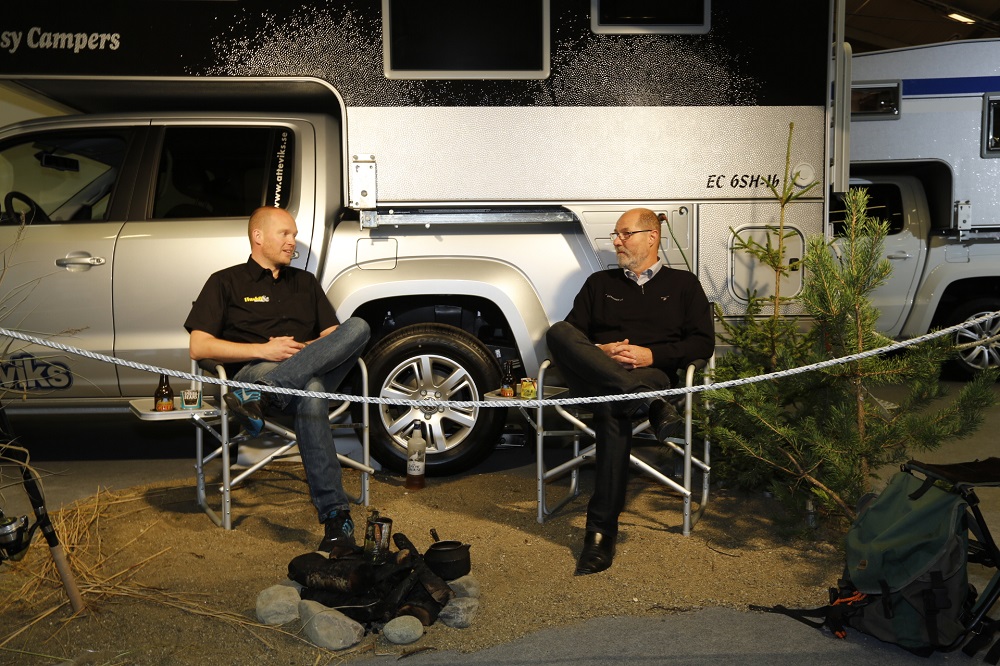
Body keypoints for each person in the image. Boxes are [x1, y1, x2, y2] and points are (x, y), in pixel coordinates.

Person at [185, 206, 370, 552]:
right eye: (284, 234)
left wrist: (301, 352)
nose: (292, 241)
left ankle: (265, 396)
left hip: (293, 375)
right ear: (258, 236)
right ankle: (336, 517)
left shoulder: (305, 283)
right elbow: (199, 346)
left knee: (359, 326)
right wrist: (265, 350)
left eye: (294, 235)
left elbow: (334, 337)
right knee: (312, 390)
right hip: (255, 372)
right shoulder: (224, 282)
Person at [545, 207, 714, 575]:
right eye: (616, 235)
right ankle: (650, 404)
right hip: (598, 376)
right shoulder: (599, 284)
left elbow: (703, 343)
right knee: (556, 332)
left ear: (652, 238)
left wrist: (651, 354)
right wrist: (602, 351)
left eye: (625, 234)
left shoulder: (683, 285)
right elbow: (571, 336)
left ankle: (600, 534)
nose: (616, 242)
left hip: (651, 374)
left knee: (613, 408)